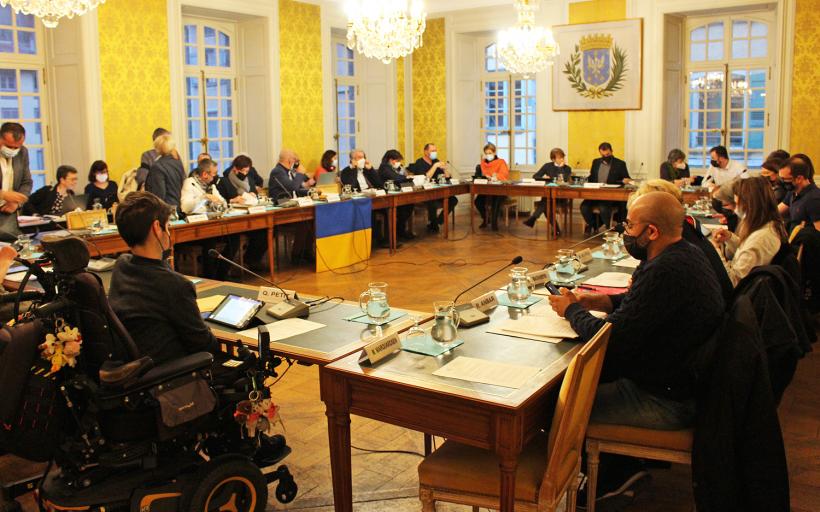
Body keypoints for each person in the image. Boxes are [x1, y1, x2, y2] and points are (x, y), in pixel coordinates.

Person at [548, 192, 725, 507]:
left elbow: (612, 342)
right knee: (583, 382)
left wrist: (571, 312)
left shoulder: (665, 270)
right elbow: (645, 306)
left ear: (651, 232)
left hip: (667, 400)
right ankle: (622, 466)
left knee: (560, 406)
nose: (625, 232)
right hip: (676, 379)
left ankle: (604, 481)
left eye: (629, 226)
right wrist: (600, 301)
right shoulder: (683, 253)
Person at [109, 192, 219, 365]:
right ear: (156, 228)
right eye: (167, 226)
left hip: (139, 368)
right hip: (174, 373)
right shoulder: (175, 285)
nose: (169, 231)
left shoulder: (122, 266)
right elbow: (204, 345)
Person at [627, 179, 733, 303]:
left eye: (631, 224)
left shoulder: (674, 250)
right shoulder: (687, 228)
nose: (628, 231)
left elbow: (634, 308)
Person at [712, 177, 787, 286]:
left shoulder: (762, 237)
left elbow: (733, 282)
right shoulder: (768, 225)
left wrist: (716, 253)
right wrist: (730, 238)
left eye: (737, 204)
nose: (734, 209)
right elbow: (746, 251)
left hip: (740, 296)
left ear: (750, 205)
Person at [580, 142, 632, 234]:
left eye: (607, 154)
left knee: (603, 207)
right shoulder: (596, 162)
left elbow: (627, 178)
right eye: (603, 155)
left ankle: (608, 229)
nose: (605, 156)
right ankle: (592, 225)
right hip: (594, 194)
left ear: (611, 151)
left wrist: (625, 180)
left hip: (610, 196)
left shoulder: (620, 164)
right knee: (584, 207)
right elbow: (592, 177)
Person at [408, 143, 458, 233]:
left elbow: (448, 177)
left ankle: (438, 221)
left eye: (435, 151)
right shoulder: (419, 163)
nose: (435, 153)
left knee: (453, 200)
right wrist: (435, 166)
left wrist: (445, 169)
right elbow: (425, 178)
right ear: (426, 152)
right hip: (424, 194)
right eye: (432, 151)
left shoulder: (436, 160)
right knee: (432, 202)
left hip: (437, 192)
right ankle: (433, 225)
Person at [0, 122, 33, 241]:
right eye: (9, 146)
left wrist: (17, 202)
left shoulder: (22, 152)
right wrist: (3, 194)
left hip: (8, 212)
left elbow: (27, 182)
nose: (13, 150)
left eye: (16, 147)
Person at [524, 147, 572, 229]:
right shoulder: (547, 166)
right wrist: (545, 178)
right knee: (547, 205)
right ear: (553, 159)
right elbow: (535, 176)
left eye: (562, 157)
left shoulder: (567, 168)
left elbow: (565, 180)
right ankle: (556, 230)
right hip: (549, 195)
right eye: (559, 158)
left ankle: (533, 218)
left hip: (561, 196)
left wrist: (560, 168)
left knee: (545, 203)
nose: (562, 159)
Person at [378, 149, 415, 240]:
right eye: (397, 161)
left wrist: (406, 177)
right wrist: (407, 177)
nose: (399, 163)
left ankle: (400, 230)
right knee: (404, 207)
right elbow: (396, 178)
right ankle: (398, 232)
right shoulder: (384, 167)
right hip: (386, 197)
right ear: (391, 160)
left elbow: (399, 178)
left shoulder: (393, 168)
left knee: (410, 204)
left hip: (396, 194)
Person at [145, 133, 186, 215]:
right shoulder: (178, 163)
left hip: (166, 212)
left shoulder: (157, 167)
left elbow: (158, 195)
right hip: (178, 208)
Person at [778, 157, 820, 232]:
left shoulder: (814, 199)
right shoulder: (793, 192)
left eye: (784, 179)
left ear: (799, 178)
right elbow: (775, 212)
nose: (781, 181)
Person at [472, 143, 508, 231]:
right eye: (486, 153)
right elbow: (481, 175)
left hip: (499, 189)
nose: (488, 155)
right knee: (477, 201)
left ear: (494, 152)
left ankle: (494, 224)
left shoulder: (501, 162)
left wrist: (496, 176)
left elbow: (504, 175)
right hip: (486, 189)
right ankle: (486, 219)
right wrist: (485, 177)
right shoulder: (483, 163)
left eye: (490, 153)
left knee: (496, 200)